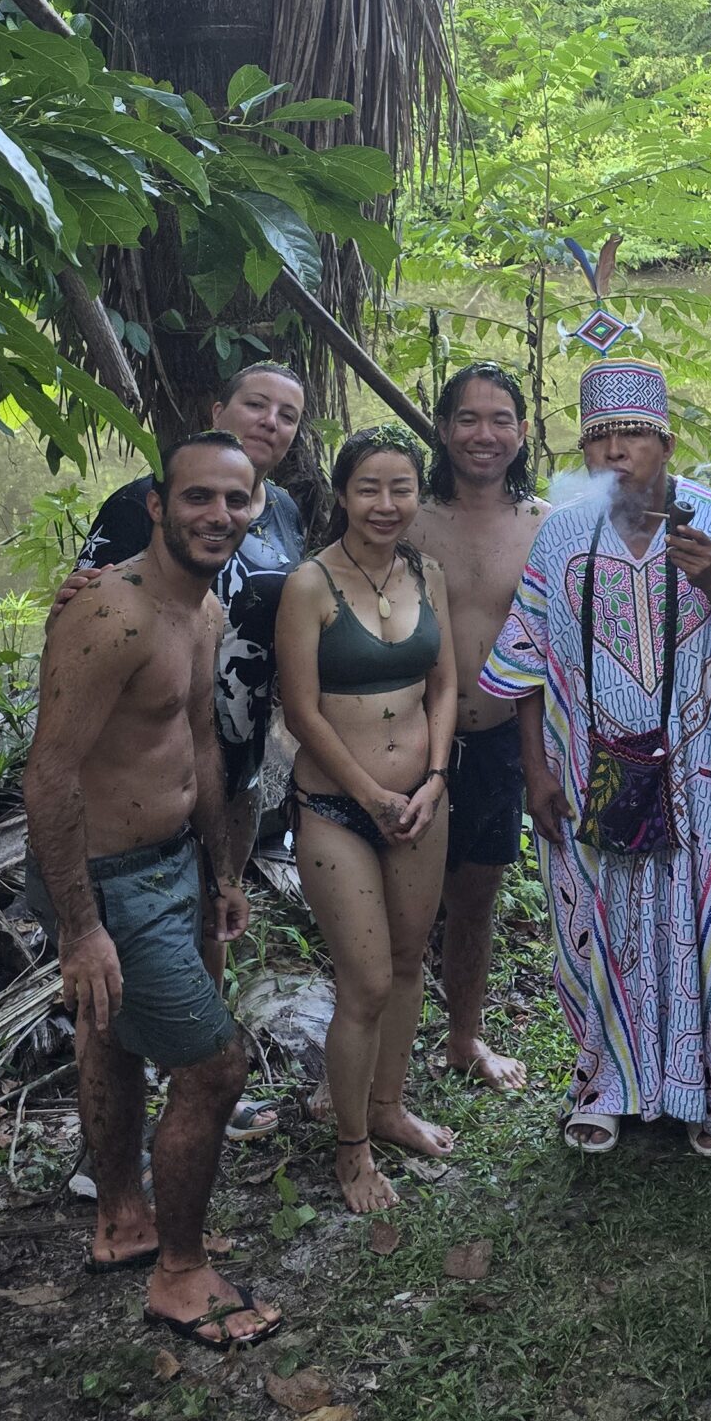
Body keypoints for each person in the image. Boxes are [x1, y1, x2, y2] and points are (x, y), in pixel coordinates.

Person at [23, 432, 281, 1347]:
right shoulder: (112, 614)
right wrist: (80, 925)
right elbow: (50, 775)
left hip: (174, 860)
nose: (218, 515)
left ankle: (124, 1220)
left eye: (236, 500)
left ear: (255, 509)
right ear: (157, 507)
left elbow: (201, 744)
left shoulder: (200, 610)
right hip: (109, 879)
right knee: (214, 1069)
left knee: (111, 1035)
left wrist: (222, 868)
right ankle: (179, 1274)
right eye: (198, 497)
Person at [481, 359, 711, 1156]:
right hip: (594, 767)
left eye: (635, 434)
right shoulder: (564, 532)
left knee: (705, 919)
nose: (616, 451)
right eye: (600, 437)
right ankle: (606, 1083)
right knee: (602, 916)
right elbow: (527, 657)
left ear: (667, 443)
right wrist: (537, 771)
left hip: (705, 773)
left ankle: (707, 1088)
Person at [73, 359, 309, 1141]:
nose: (270, 421)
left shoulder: (283, 513)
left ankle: (199, 1086)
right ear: (218, 409)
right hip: (145, 765)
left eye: (287, 414)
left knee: (214, 916)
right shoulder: (144, 501)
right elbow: (81, 619)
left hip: (236, 757)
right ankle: (112, 1147)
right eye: (256, 404)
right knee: (120, 970)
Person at [276, 427, 459, 1214]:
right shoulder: (310, 584)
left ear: (418, 494)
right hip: (335, 808)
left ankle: (387, 1106)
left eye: (401, 488)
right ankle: (351, 1149)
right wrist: (370, 796)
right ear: (343, 494)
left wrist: (435, 777)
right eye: (369, 488)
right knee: (367, 981)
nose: (386, 504)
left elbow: (445, 685)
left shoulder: (428, 572)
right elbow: (301, 711)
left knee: (410, 962)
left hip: (421, 801)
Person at [412, 362, 546, 1093]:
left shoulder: (544, 525)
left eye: (500, 420)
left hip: (499, 738)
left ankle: (464, 1037)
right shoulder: (406, 517)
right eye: (468, 418)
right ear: (442, 428)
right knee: (394, 900)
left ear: (522, 432)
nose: (484, 434)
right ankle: (375, 1042)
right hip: (406, 736)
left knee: (475, 897)